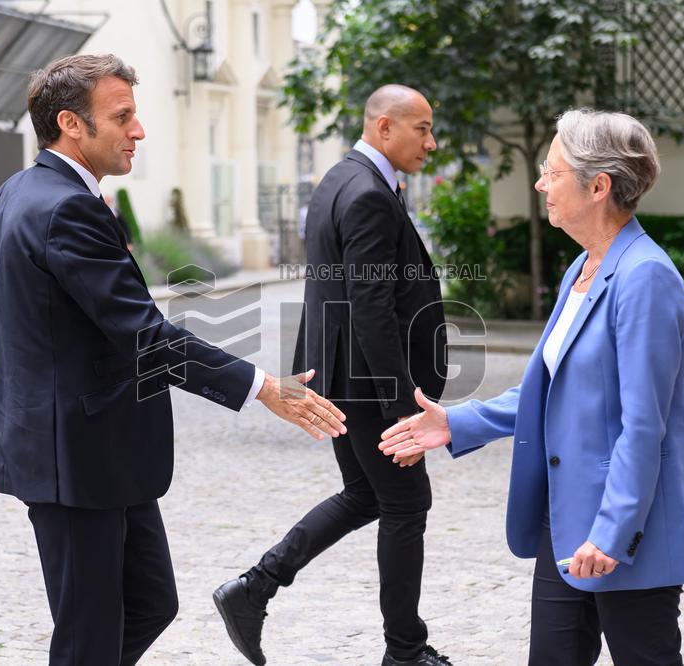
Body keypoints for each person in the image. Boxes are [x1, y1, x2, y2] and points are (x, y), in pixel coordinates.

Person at [0, 53, 346, 666]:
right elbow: (144, 336)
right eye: (122, 116)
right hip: (73, 461)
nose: (139, 130)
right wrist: (263, 387)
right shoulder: (63, 207)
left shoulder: (17, 192)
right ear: (70, 124)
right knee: (89, 635)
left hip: (103, 455)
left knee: (150, 602)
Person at [380, 108, 684, 665]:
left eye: (552, 172)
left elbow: (644, 425)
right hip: (561, 525)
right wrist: (454, 423)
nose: (540, 183)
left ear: (599, 186)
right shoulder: (582, 267)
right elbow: (546, 393)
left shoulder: (645, 277)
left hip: (625, 534)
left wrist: (611, 533)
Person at [213, 84, 452, 666]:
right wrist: (403, 408)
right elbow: (369, 305)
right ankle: (405, 653)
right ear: (384, 127)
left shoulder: (339, 179)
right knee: (404, 505)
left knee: (368, 495)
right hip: (369, 384)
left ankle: (256, 586)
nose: (431, 141)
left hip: (345, 376)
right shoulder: (367, 191)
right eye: (420, 128)